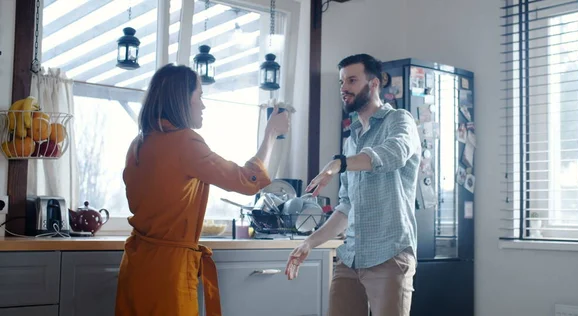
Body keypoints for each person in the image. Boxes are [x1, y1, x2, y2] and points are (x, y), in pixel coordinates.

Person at [115, 63, 289, 316]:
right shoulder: (185, 141)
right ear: (183, 99)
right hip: (168, 273)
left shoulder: (139, 143)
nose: (203, 105)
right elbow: (247, 180)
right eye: (200, 95)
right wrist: (271, 134)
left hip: (135, 265)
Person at [285, 54, 421, 316]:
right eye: (341, 82)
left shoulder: (399, 120)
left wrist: (339, 164)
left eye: (352, 80)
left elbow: (394, 152)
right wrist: (309, 243)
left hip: (389, 255)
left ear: (373, 84)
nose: (343, 88)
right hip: (350, 257)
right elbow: (347, 206)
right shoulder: (352, 138)